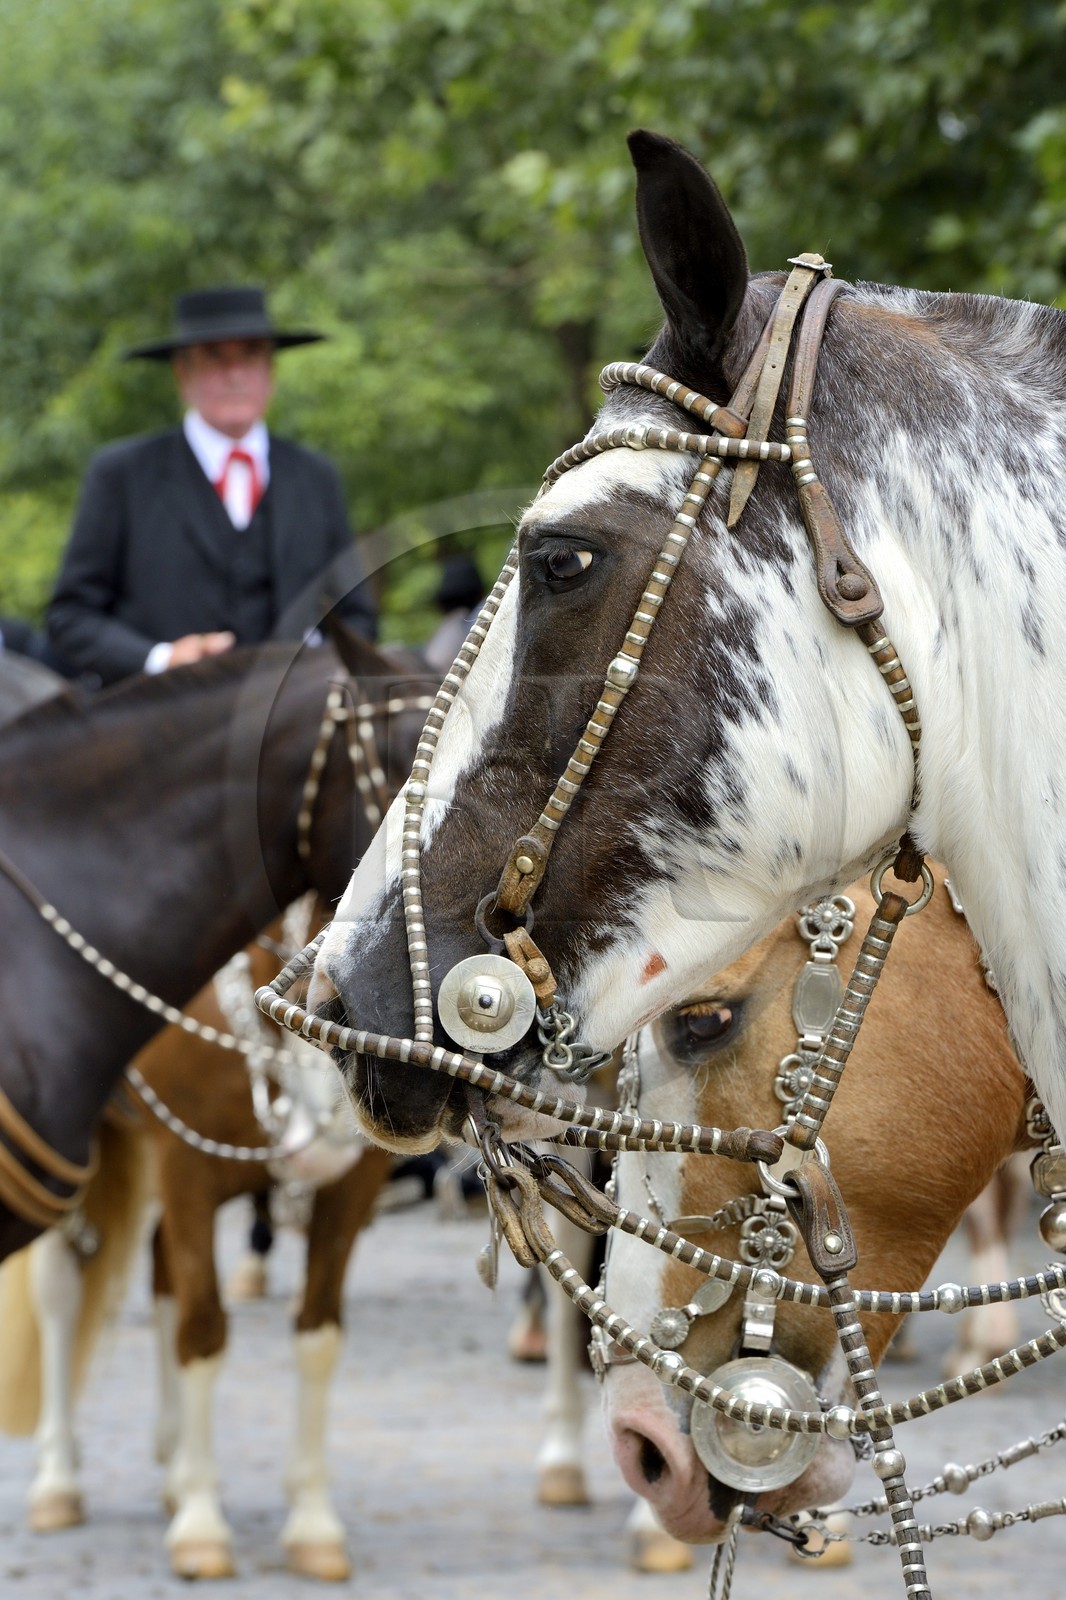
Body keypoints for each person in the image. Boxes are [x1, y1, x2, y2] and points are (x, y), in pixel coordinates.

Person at [47, 286, 376, 686]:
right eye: (215, 358)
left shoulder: (314, 476)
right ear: (182, 374)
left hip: (288, 731)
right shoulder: (122, 474)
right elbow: (71, 617)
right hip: (160, 729)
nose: (235, 374)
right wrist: (161, 659)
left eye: (251, 355)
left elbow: (357, 616)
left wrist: (311, 666)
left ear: (270, 372)